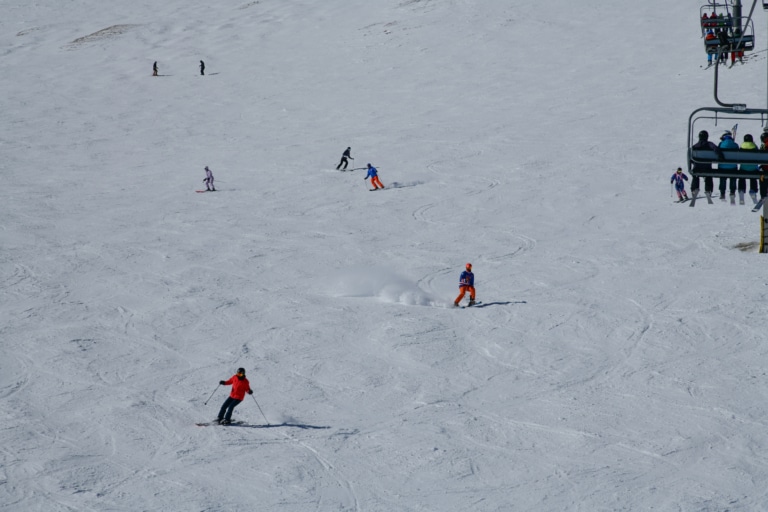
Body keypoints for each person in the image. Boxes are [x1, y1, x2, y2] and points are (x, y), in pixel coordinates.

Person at [691, 130, 718, 200]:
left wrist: (692, 162)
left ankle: (694, 189)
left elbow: (691, 155)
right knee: (708, 176)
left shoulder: (695, 146)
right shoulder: (710, 144)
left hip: (697, 168)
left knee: (695, 175)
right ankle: (708, 190)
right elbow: (716, 149)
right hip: (707, 168)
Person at [718, 130, 739, 200]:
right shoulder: (735, 145)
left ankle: (722, 192)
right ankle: (732, 191)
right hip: (733, 167)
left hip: (722, 167)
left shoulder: (721, 144)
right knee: (733, 176)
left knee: (722, 177)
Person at [740, 134, 759, 204]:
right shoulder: (754, 146)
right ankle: (753, 190)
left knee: (741, 176)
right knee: (753, 175)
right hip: (753, 168)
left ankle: (741, 189)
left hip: (743, 168)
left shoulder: (742, 146)